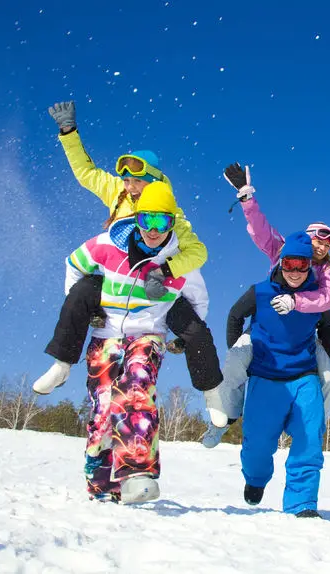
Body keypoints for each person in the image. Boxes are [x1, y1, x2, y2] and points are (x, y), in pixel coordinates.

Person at [32, 100, 222, 397]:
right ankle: (62, 363)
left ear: (154, 183)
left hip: (155, 284)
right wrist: (68, 132)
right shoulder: (117, 193)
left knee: (195, 328)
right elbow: (86, 173)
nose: (130, 186)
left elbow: (197, 253)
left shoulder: (172, 215)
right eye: (127, 180)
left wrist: (167, 270)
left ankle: (211, 391)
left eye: (138, 182)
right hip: (116, 278)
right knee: (82, 293)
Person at [69, 182, 209, 503]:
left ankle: (137, 472)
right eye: (147, 221)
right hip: (106, 334)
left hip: (148, 332)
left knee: (137, 386)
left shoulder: (178, 255)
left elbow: (197, 296)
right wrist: (85, 310)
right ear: (136, 218)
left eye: (162, 222)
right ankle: (102, 484)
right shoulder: (108, 244)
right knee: (105, 406)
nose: (154, 230)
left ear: (173, 223)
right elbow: (74, 266)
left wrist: (187, 336)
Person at [199, 162, 330, 448]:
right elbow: (261, 229)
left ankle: (308, 425)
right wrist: (246, 197)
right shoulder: (283, 251)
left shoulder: (324, 274)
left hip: (301, 338)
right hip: (264, 331)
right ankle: (226, 417)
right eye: (317, 238)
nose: (321, 246)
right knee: (235, 363)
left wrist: (298, 302)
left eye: (328, 243)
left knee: (327, 375)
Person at [232, 231, 327, 517]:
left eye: (302, 265)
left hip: (303, 375)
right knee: (258, 442)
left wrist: (324, 361)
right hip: (265, 375)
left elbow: (328, 326)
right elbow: (235, 316)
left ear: (310, 265)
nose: (295, 272)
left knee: (310, 436)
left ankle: (302, 503)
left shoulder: (316, 296)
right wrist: (238, 351)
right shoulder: (260, 292)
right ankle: (255, 478)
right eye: (289, 265)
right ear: (280, 263)